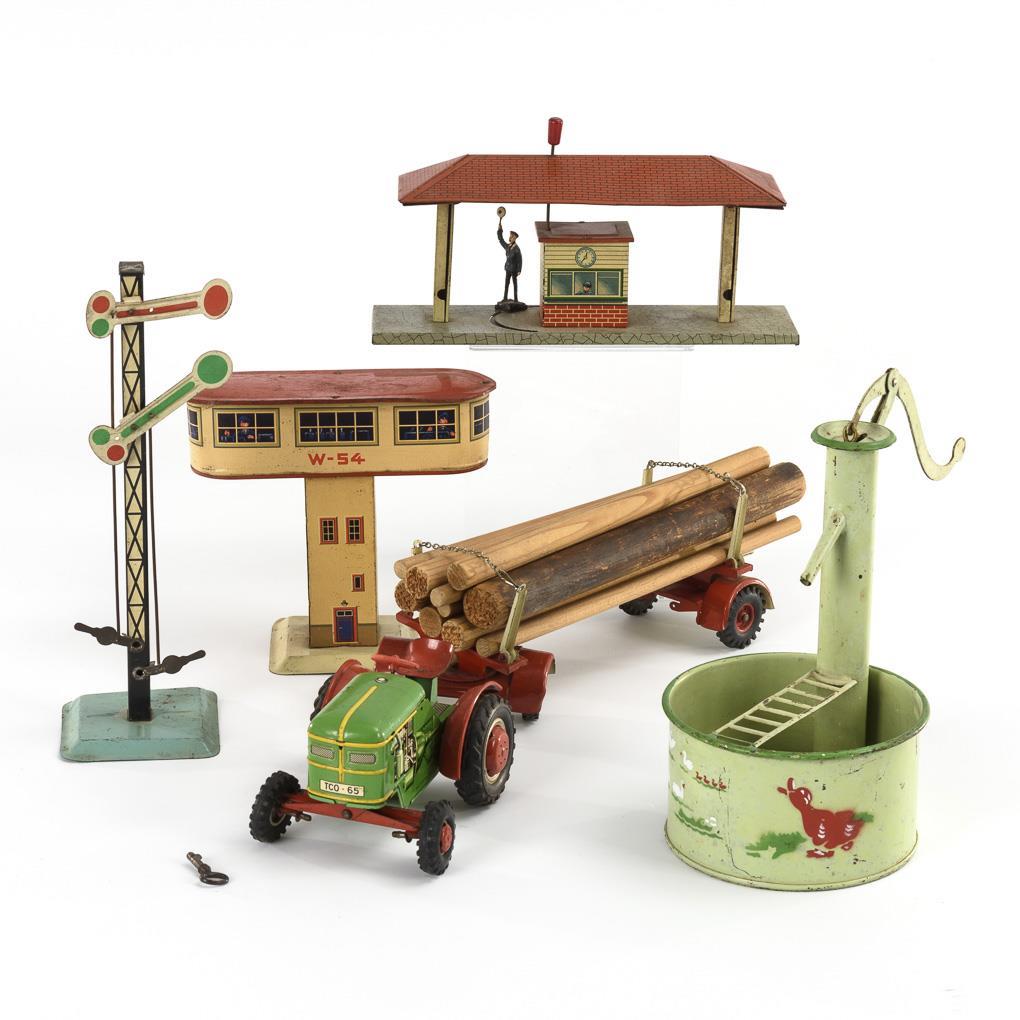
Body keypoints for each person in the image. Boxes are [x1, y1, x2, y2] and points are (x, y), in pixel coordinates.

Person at [497, 224, 522, 303]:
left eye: (512, 237)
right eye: (510, 236)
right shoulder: (508, 246)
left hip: (514, 269)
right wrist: (500, 231)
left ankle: (516, 299)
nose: (510, 238)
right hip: (508, 268)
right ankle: (505, 298)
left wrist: (519, 270)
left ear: (515, 238)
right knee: (506, 284)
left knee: (515, 284)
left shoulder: (517, 249)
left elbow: (520, 260)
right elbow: (501, 240)